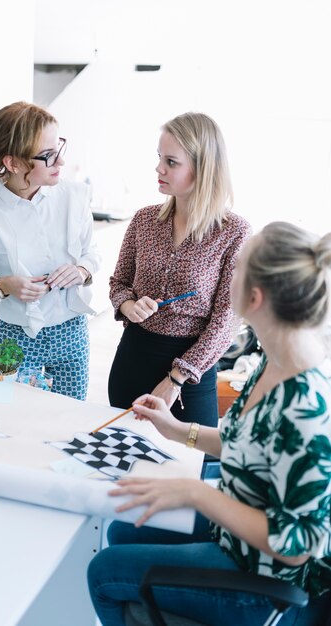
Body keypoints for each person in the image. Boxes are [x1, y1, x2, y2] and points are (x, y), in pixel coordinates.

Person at [88, 221, 331, 626]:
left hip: (265, 584)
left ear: (254, 298)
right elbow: (247, 445)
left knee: (104, 571)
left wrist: (198, 495)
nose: (226, 273)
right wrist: (176, 429)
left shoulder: (304, 407)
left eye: (237, 268)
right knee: (121, 530)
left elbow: (298, 546)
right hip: (235, 532)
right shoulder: (274, 358)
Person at [0, 101, 100, 400]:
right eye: (47, 156)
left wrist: (81, 271)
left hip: (72, 333)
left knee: (70, 419)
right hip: (12, 338)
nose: (60, 162)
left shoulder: (76, 196)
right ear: (13, 163)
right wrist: (3, 285)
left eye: (59, 149)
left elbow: (91, 255)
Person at [108, 111, 251, 425]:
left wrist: (176, 378)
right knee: (120, 465)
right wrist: (129, 306)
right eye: (160, 158)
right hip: (132, 359)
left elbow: (226, 322)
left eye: (171, 162)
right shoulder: (143, 220)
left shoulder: (234, 232)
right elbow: (118, 283)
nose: (159, 168)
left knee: (187, 466)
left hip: (190, 380)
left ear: (203, 168)